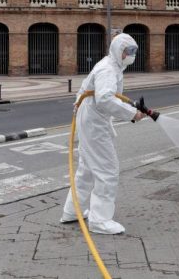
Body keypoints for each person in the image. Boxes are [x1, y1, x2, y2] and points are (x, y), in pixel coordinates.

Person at [60, 33, 146, 234]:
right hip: (94, 123)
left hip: (90, 119)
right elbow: (105, 99)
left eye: (134, 51)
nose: (131, 55)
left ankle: (73, 211)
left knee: (87, 169)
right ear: (118, 50)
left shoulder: (112, 65)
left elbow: (90, 92)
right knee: (107, 169)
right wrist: (133, 114)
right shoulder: (108, 69)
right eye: (128, 51)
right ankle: (100, 220)